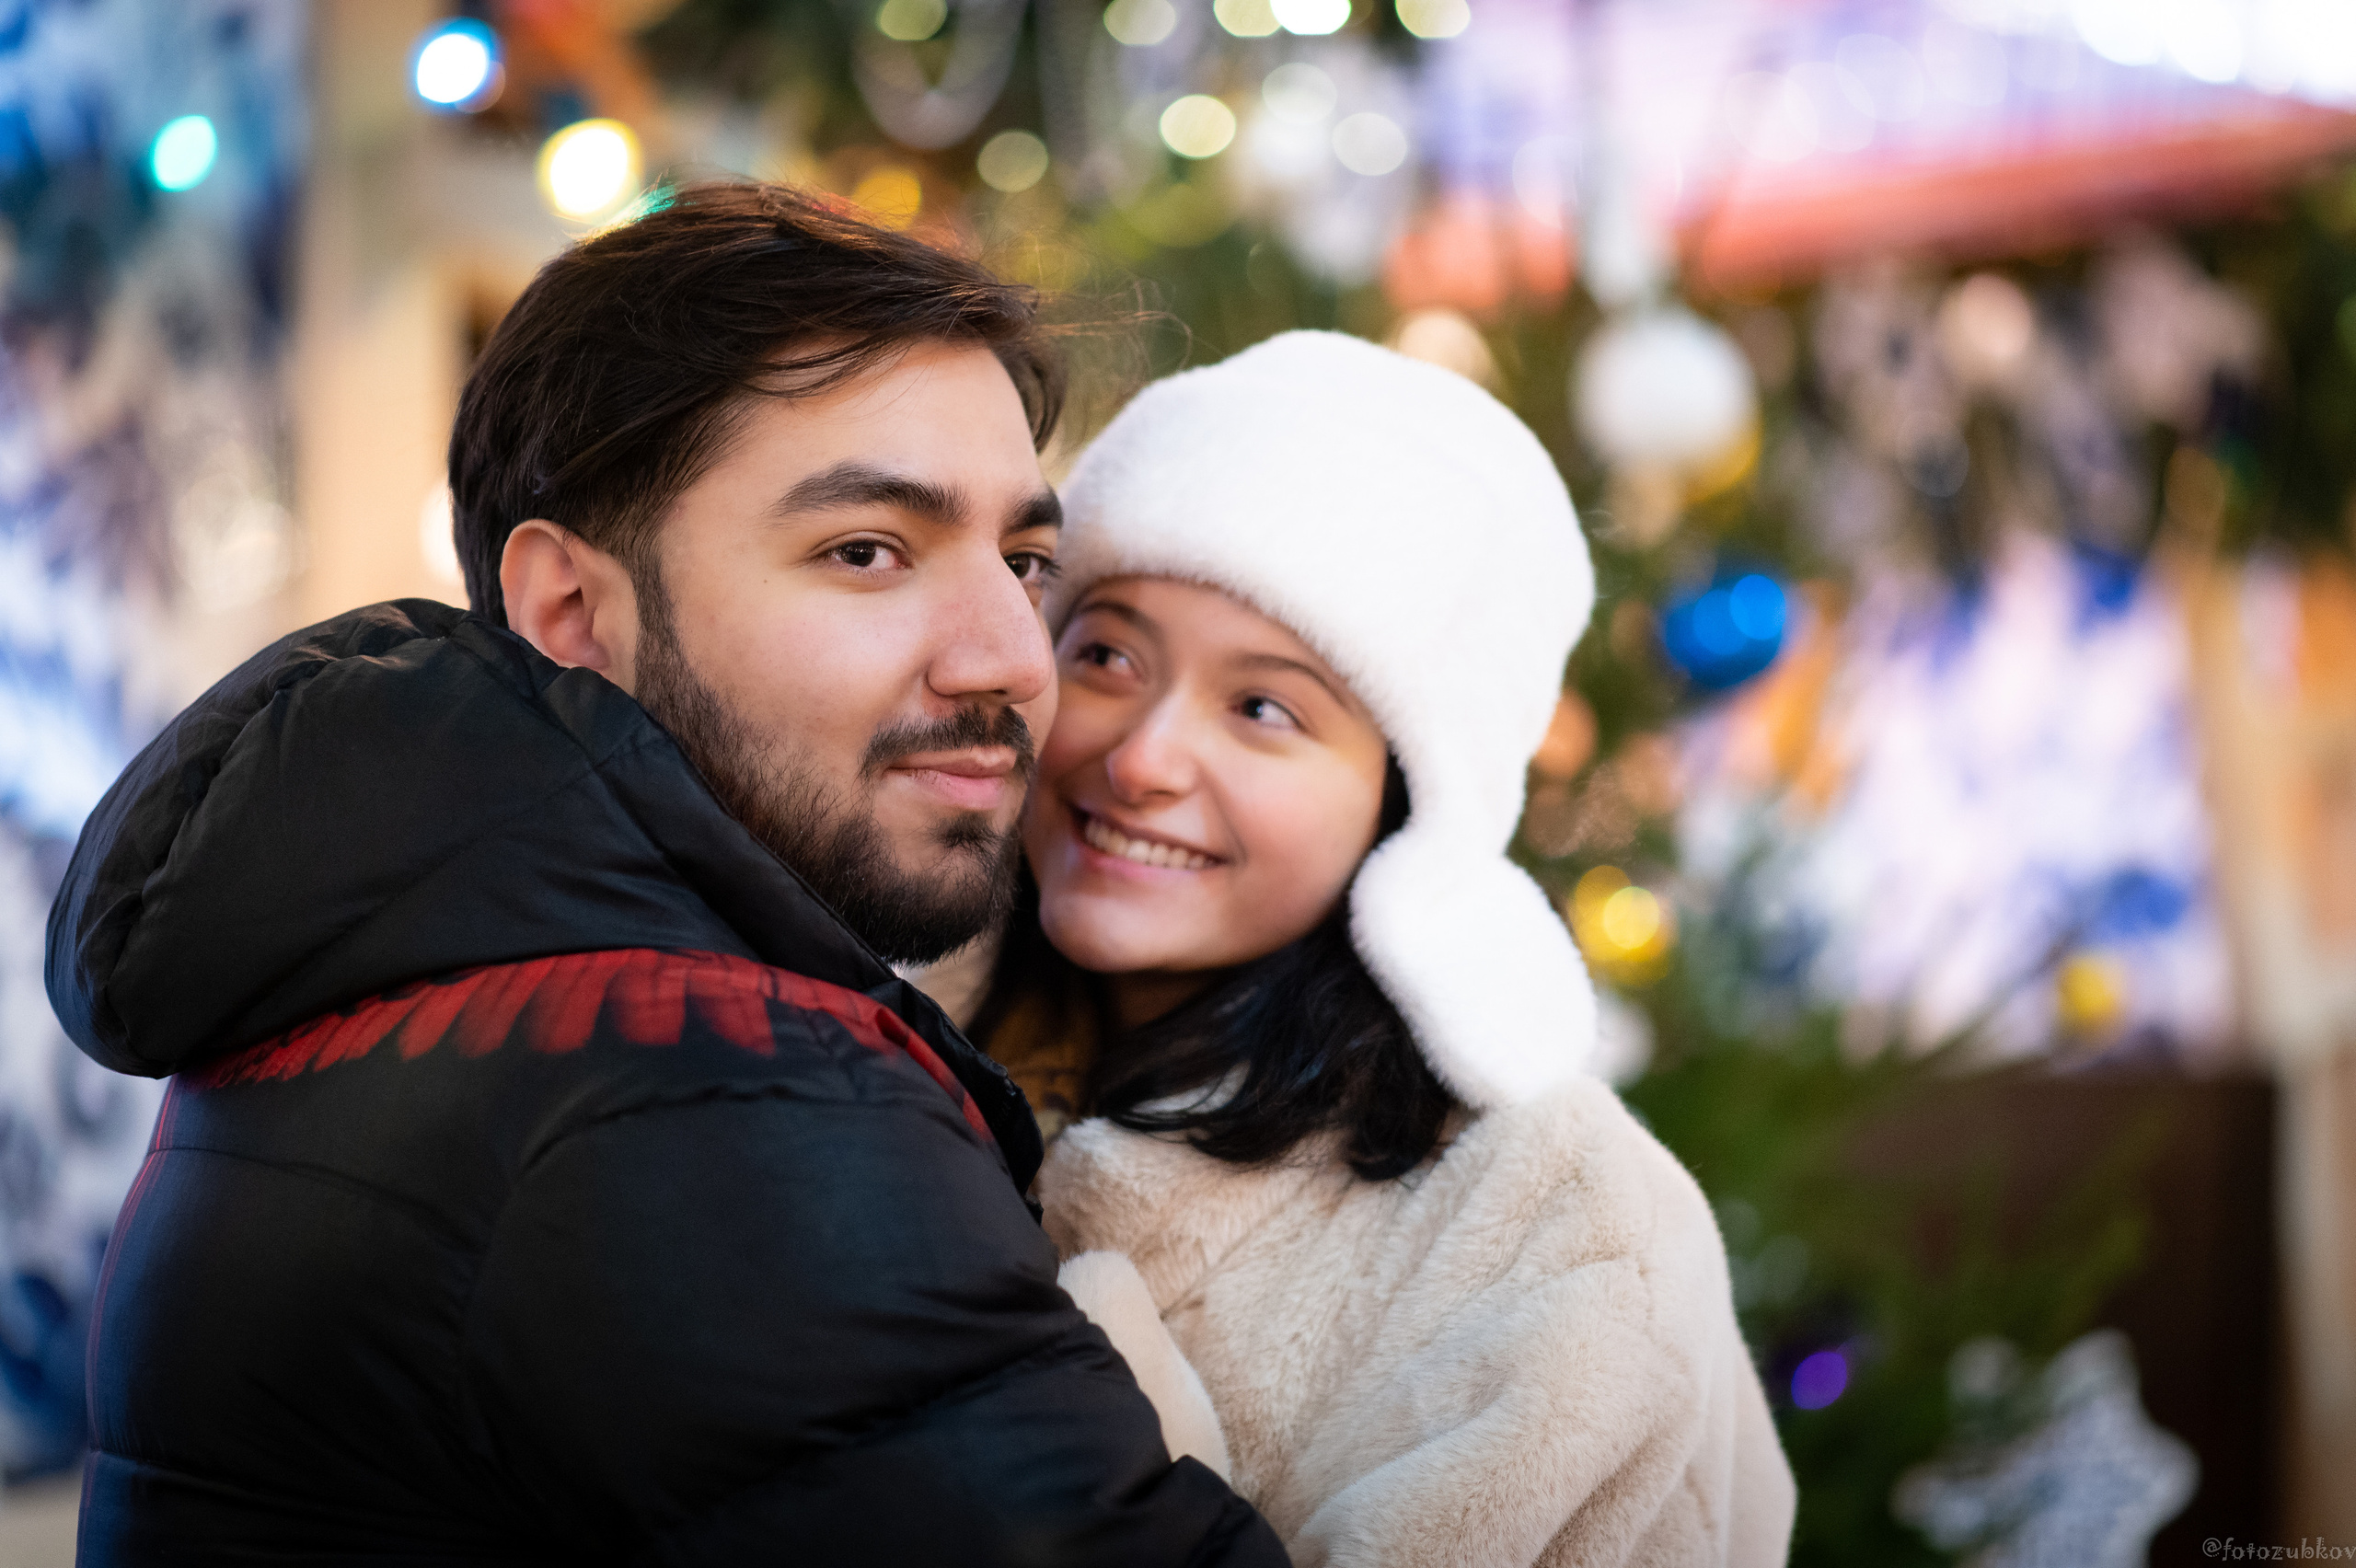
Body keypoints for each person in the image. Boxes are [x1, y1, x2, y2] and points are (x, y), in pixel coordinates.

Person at [44, 183, 1286, 1565]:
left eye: (1026, 558)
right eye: (867, 551)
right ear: (573, 613)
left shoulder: (397, 953)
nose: (1011, 655)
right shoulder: (717, 1082)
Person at [953, 331, 1797, 1566]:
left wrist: (1087, 1400)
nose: (1139, 758)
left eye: (1264, 708)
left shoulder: (1558, 1224)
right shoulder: (875, 1053)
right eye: (1108, 654)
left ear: (1406, 805)